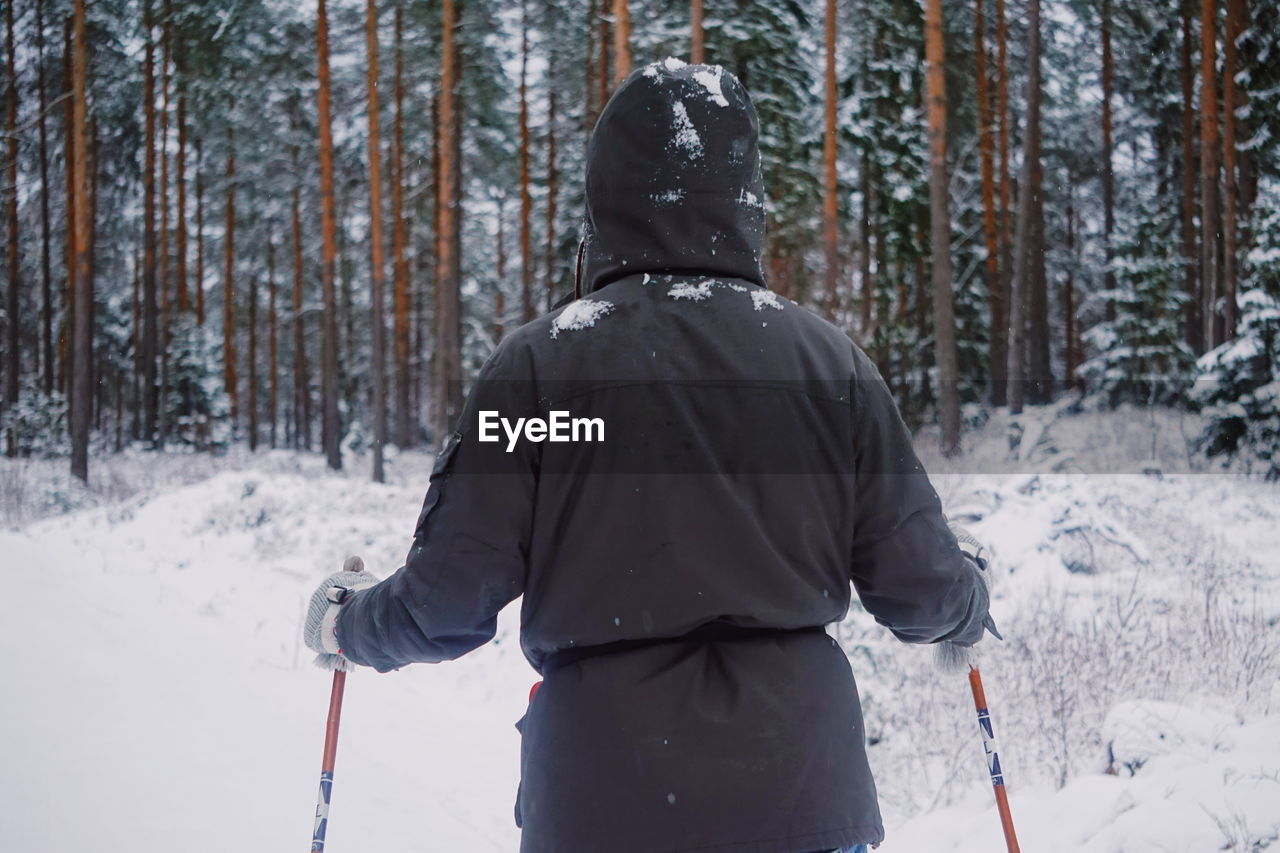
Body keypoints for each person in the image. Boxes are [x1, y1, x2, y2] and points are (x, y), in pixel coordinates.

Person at [304, 58, 996, 853]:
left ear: (605, 199)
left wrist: (349, 624)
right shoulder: (829, 367)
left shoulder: (540, 372)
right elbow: (919, 588)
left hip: (604, 807)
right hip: (802, 804)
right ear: (746, 197)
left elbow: (447, 602)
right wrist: (969, 597)